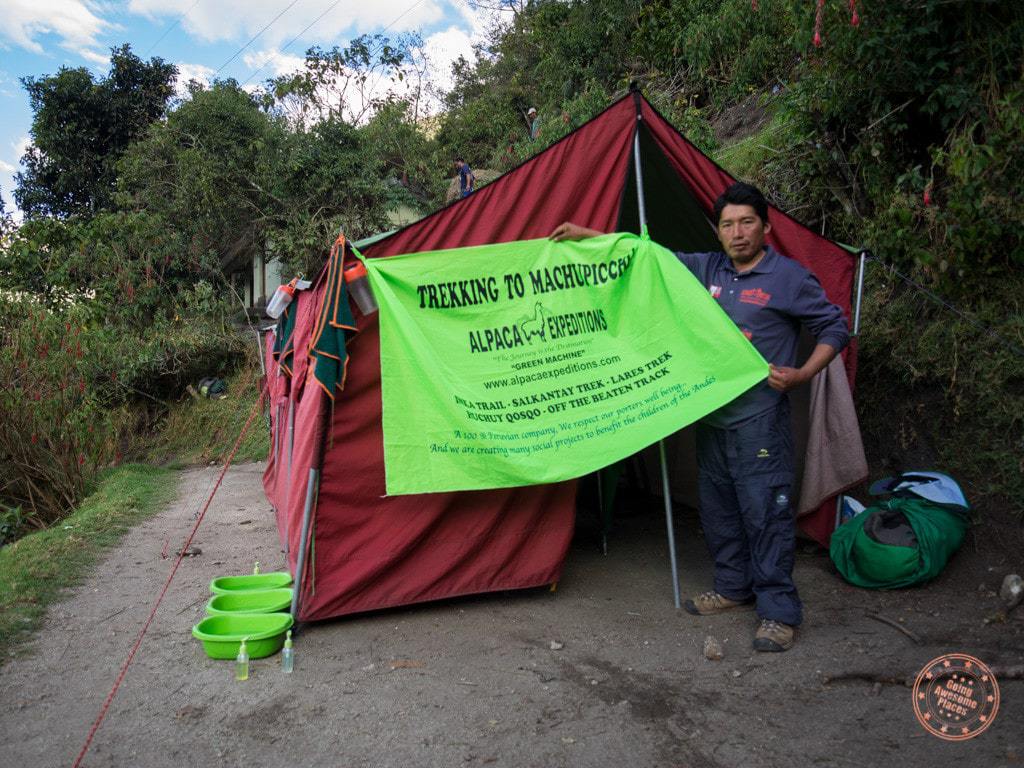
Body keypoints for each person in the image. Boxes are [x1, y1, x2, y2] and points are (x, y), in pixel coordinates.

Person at [549, 182, 849, 652]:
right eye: (728, 224)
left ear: (766, 227)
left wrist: (801, 374)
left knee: (765, 513)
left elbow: (834, 326)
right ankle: (733, 588)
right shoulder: (707, 268)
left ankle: (777, 612)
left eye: (747, 222)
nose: (737, 232)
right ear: (719, 230)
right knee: (720, 510)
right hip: (710, 416)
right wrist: (588, 236)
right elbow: (648, 257)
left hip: (760, 420)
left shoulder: (788, 278)